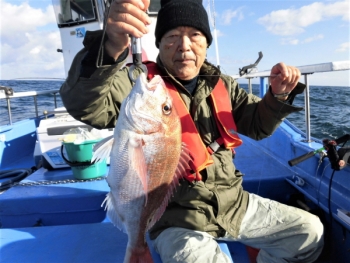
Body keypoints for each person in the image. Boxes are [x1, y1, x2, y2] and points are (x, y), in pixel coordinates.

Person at [60, 0, 324, 262]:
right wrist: (109, 46)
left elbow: (257, 125)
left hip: (232, 203)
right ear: (159, 44)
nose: (184, 46)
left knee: (309, 232)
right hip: (175, 218)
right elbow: (87, 106)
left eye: (195, 35)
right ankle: (139, 242)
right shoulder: (138, 83)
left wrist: (278, 96)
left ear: (206, 43)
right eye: (172, 36)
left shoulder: (223, 84)